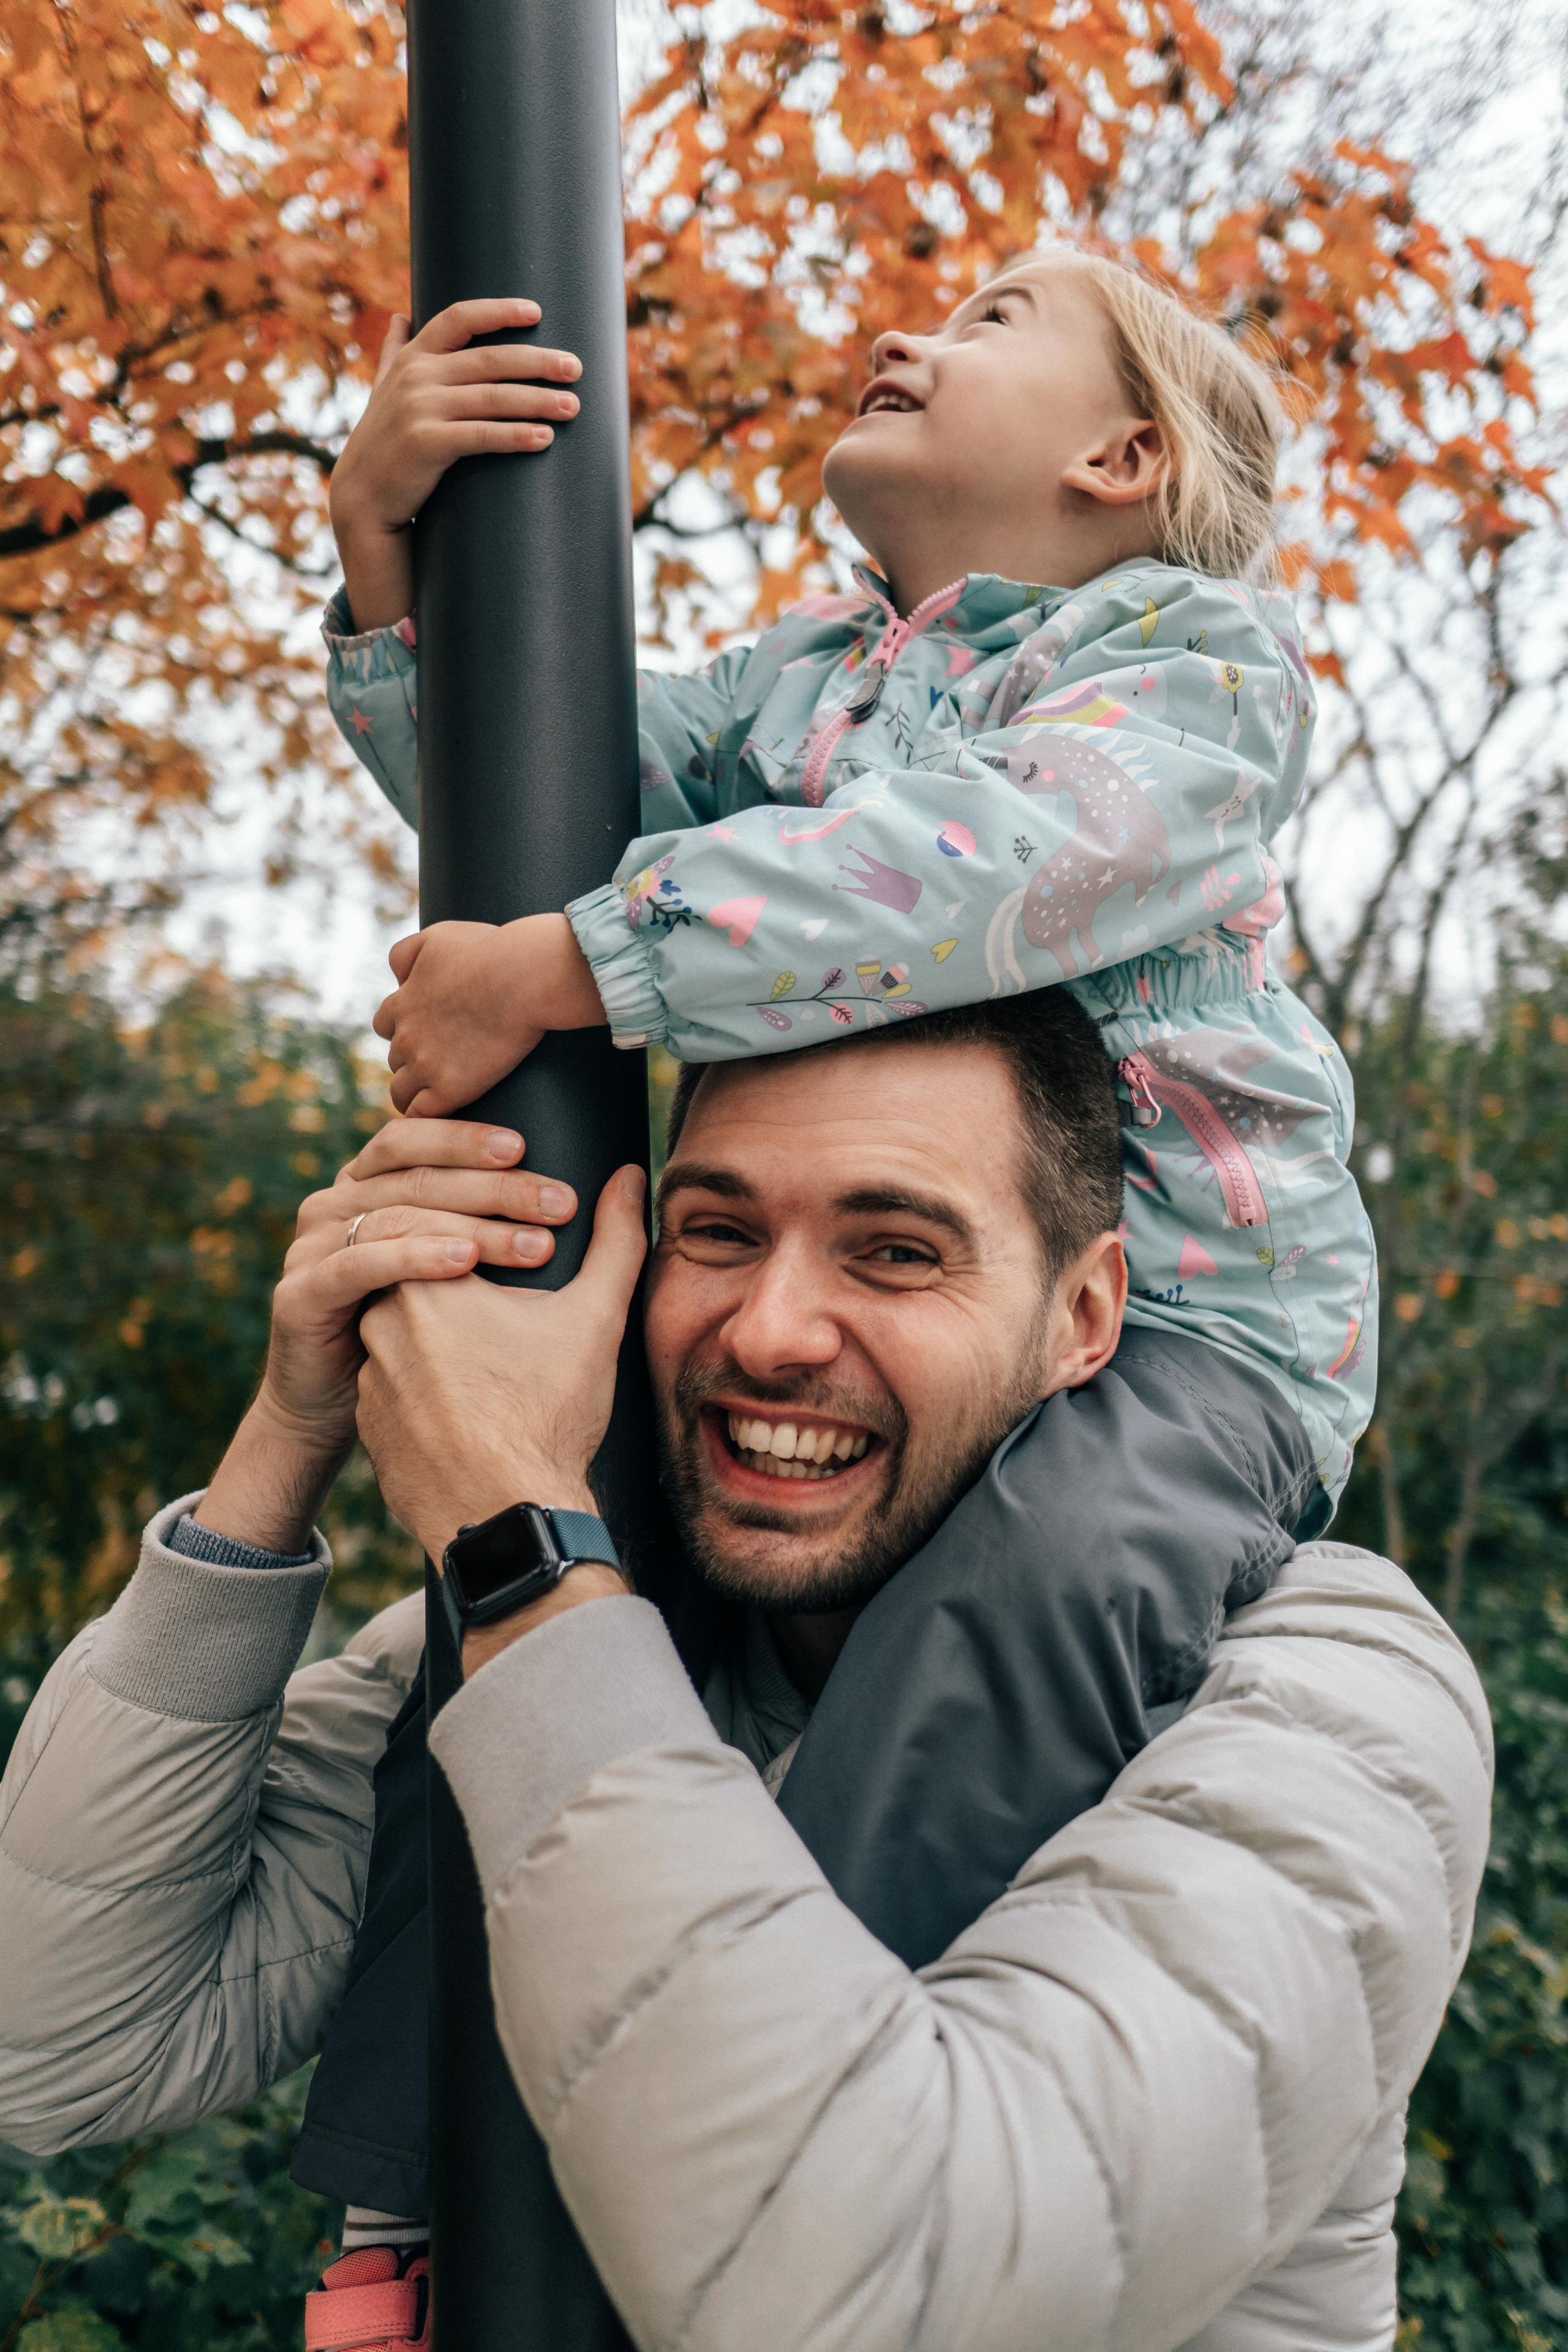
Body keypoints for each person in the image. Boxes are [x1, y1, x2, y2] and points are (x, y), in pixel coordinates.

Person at [0, 1003, 1490, 2352]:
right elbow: (57, 2049)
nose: (771, 1332)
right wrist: (284, 1436)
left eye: (894, 1250)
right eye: (714, 1233)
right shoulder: (554, 1639)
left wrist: (520, 1547)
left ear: (1080, 1317)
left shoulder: (1331, 1693)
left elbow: (878, 2297)